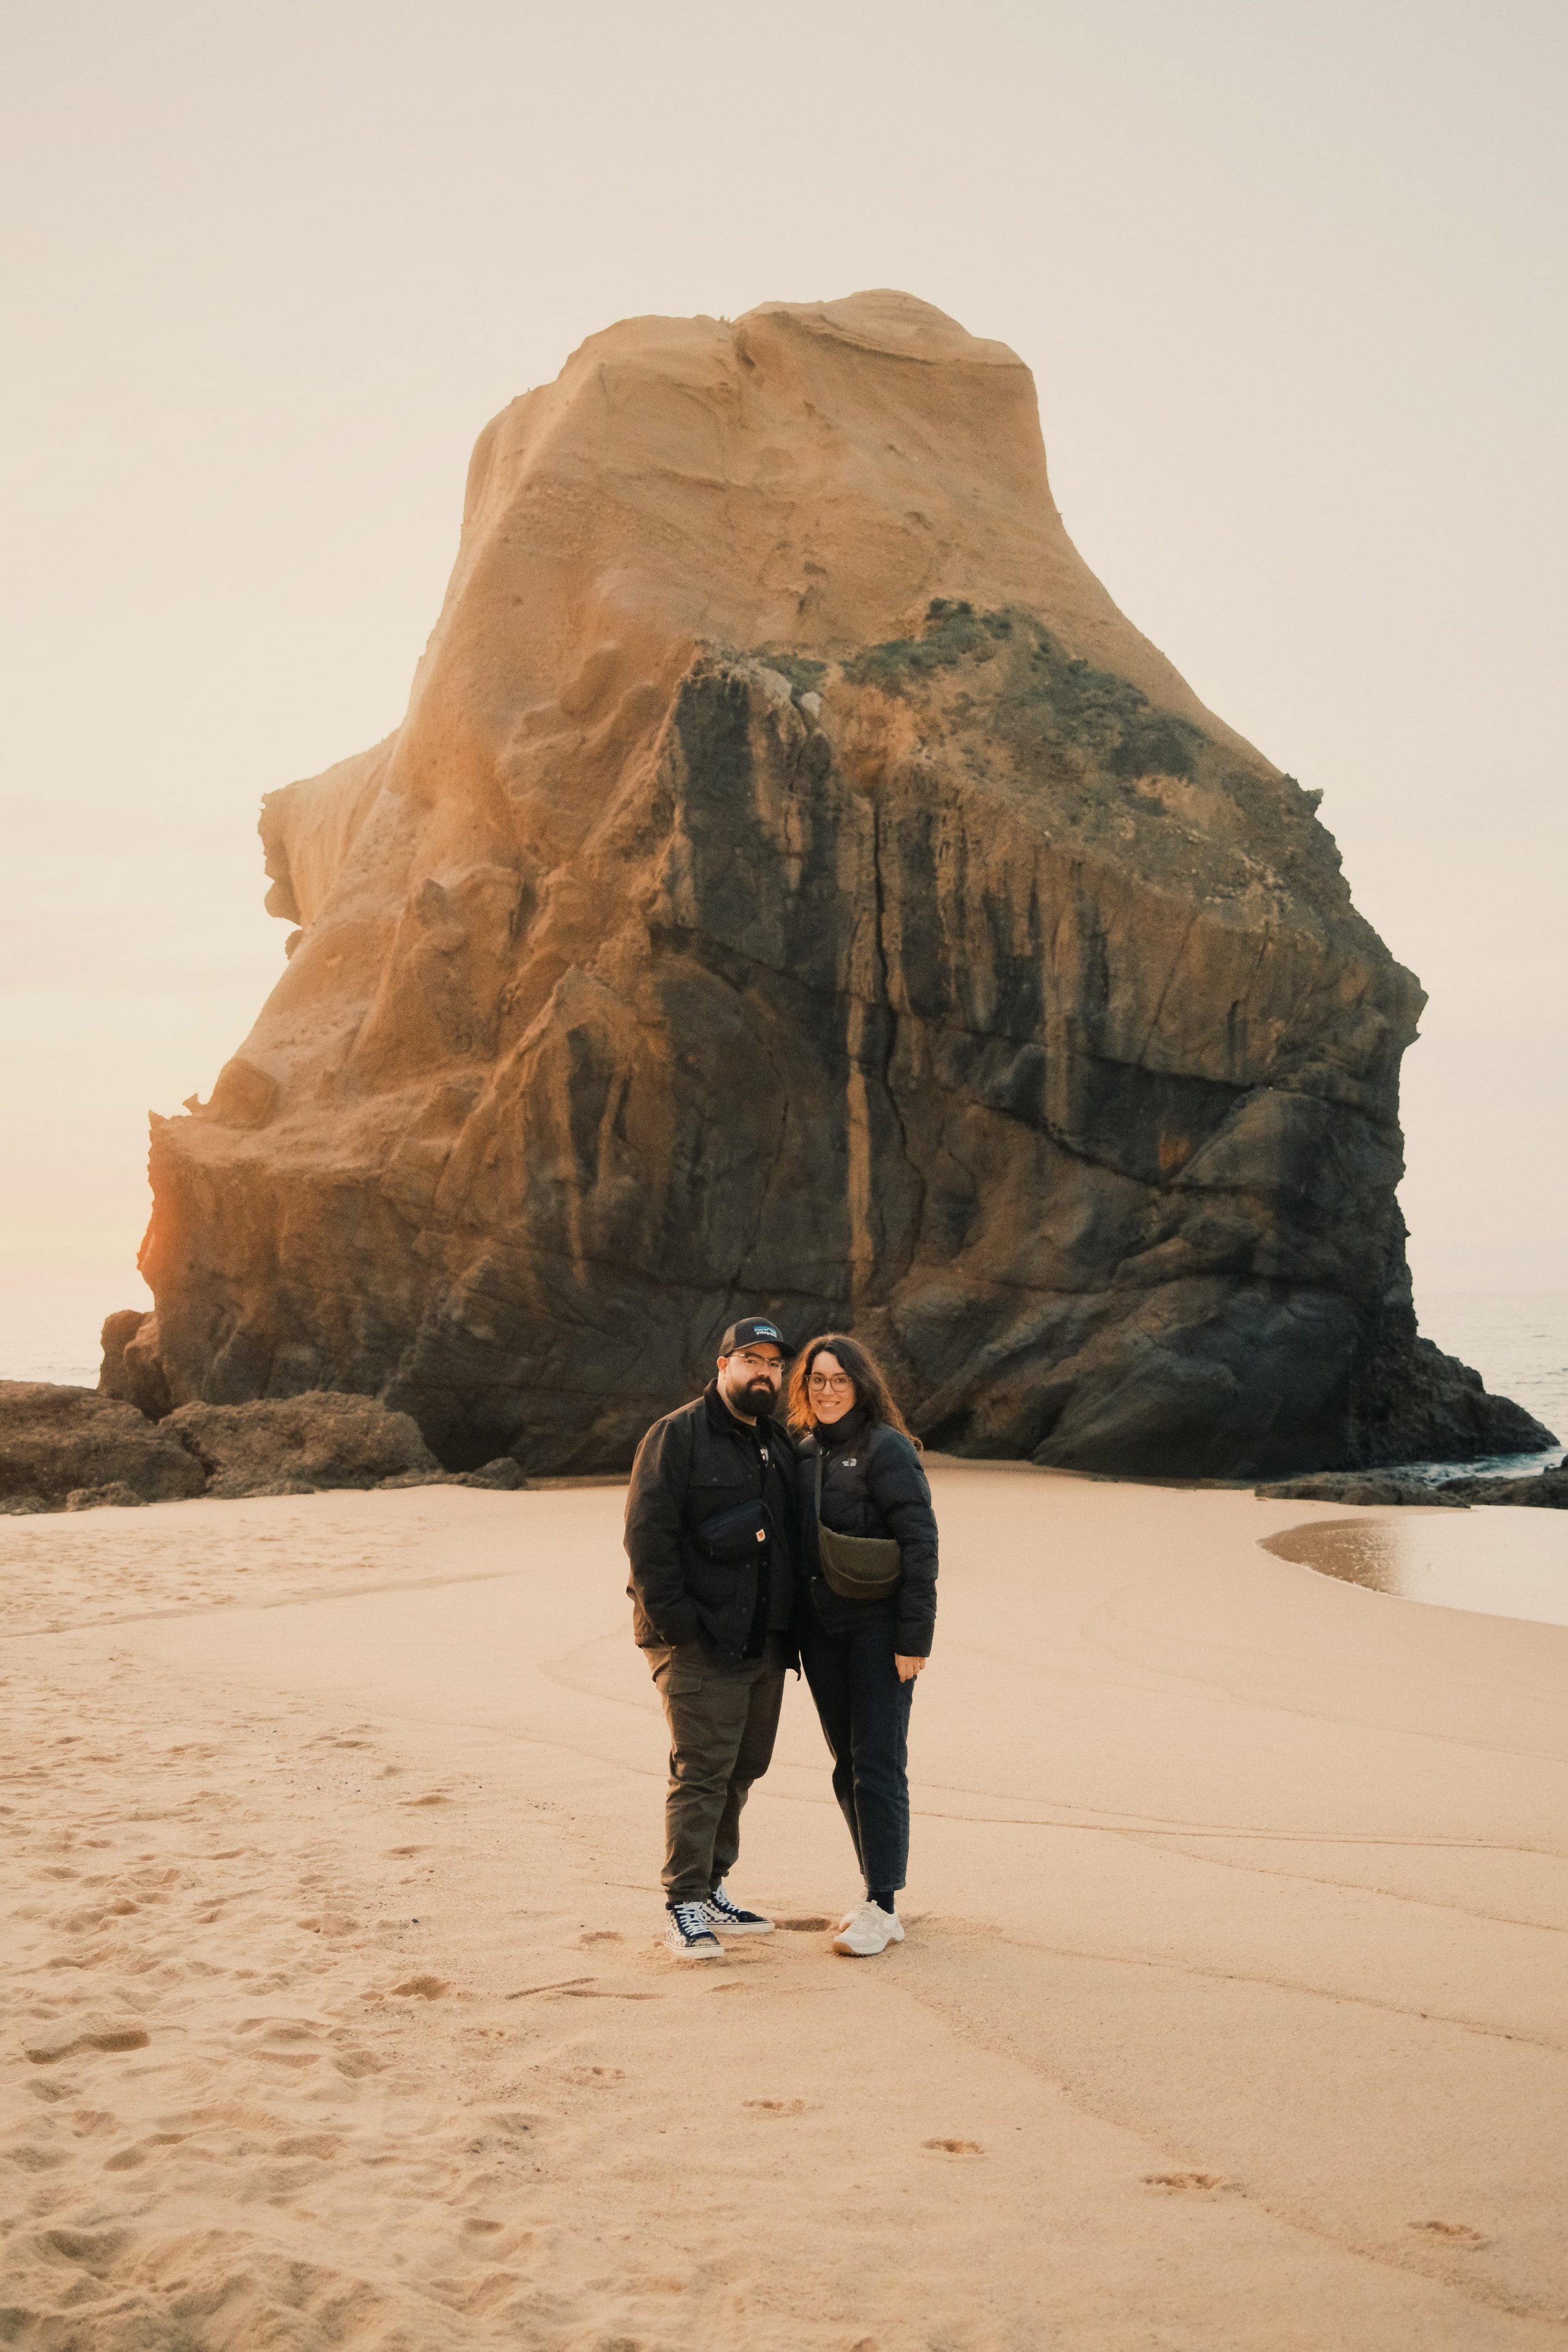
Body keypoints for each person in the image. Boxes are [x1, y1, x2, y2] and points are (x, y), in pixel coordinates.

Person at [624, 1317, 798, 1959]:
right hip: (698, 1641)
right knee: (701, 1771)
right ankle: (682, 1904)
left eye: (775, 1364)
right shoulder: (676, 1436)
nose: (764, 1373)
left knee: (743, 1768)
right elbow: (648, 1540)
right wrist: (679, 1631)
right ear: (722, 1364)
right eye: (751, 1360)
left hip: (765, 1642)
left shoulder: (776, 1443)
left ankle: (713, 1887)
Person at [788, 1332, 937, 1957]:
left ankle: (883, 1903)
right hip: (822, 1633)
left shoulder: (886, 1449)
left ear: (860, 1385)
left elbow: (920, 1544)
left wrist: (913, 1638)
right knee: (846, 1766)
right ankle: (874, 1890)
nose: (827, 1391)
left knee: (877, 1763)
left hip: (879, 1631)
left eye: (838, 1380)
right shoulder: (799, 1453)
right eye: (816, 1380)